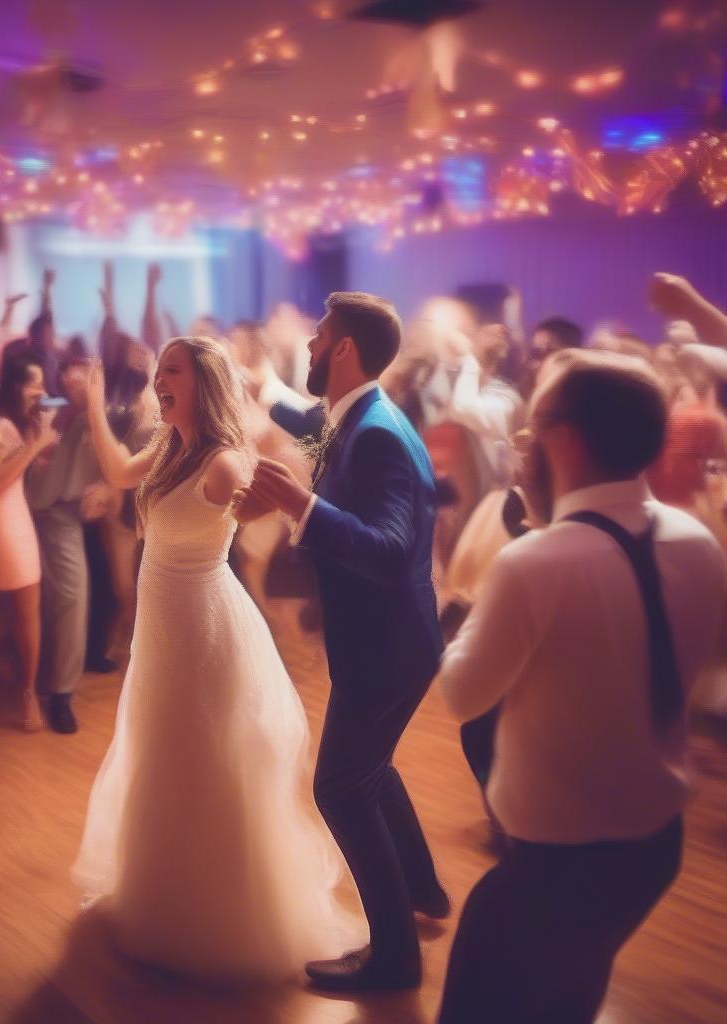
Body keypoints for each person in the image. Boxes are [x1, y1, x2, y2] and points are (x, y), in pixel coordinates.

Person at [434, 350, 727, 1023]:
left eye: (532, 429)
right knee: (571, 995)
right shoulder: (697, 541)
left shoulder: (537, 562)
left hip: (553, 867)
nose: (523, 446)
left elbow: (460, 695)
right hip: (654, 847)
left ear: (565, 439)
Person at [72, 336, 354, 983]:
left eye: (171, 371)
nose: (158, 383)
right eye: (157, 373)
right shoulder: (171, 446)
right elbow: (117, 474)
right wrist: (91, 403)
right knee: (162, 752)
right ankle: (163, 892)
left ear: (203, 382)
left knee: (201, 757)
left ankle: (216, 912)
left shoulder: (224, 461)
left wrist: (283, 508)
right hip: (165, 621)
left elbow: (274, 504)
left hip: (203, 624)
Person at [237, 291, 449, 992]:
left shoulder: (379, 430)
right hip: (388, 640)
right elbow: (316, 445)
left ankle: (393, 958)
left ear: (345, 348)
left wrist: (299, 504)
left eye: (319, 336)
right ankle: (422, 891)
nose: (309, 345)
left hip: (388, 648)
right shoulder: (354, 416)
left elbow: (390, 550)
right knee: (372, 771)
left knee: (340, 788)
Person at [25, 355, 114, 735]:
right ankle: (44, 687)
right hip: (30, 511)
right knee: (51, 601)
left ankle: (60, 692)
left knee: (73, 597)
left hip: (68, 517)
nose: (80, 388)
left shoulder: (104, 420)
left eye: (88, 383)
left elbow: (119, 468)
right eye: (74, 382)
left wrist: (107, 489)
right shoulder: (47, 415)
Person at [0, 344, 57, 731]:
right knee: (19, 610)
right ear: (14, 386)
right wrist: (34, 447)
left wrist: (39, 451)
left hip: (13, 519)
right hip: (2, 522)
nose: (41, 392)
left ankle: (18, 685)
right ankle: (22, 690)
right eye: (35, 385)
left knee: (15, 610)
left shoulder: (16, 422)